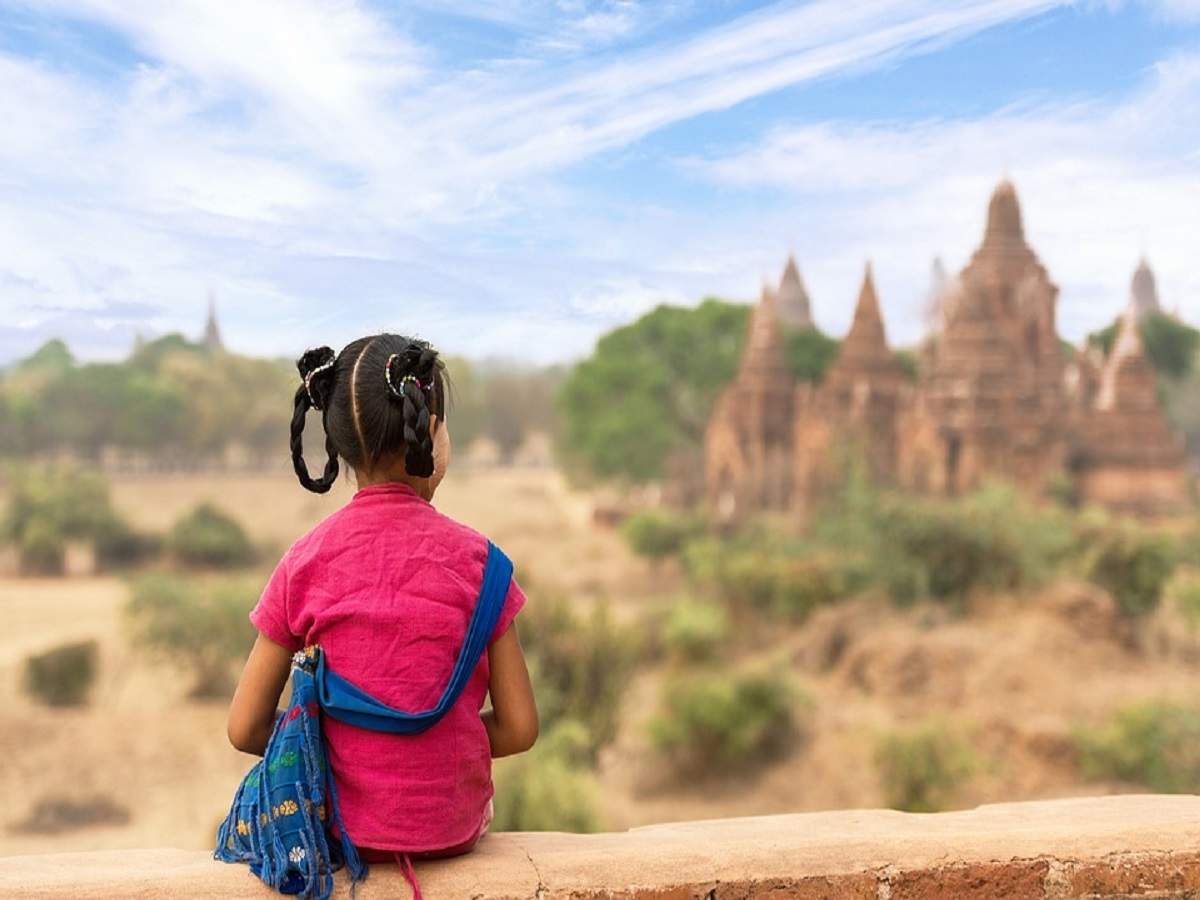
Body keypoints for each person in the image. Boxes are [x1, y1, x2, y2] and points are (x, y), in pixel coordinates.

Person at [225, 334, 538, 892]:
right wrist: (437, 743)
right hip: (453, 831)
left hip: (341, 832)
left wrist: (351, 744)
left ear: (340, 446)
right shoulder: (484, 564)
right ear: (431, 432)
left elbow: (245, 727)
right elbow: (518, 728)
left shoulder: (304, 562)